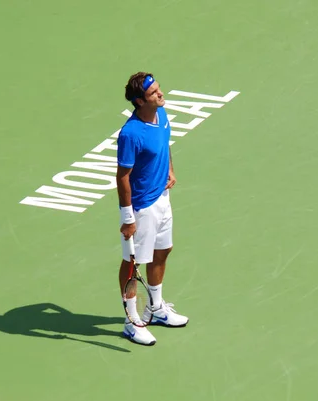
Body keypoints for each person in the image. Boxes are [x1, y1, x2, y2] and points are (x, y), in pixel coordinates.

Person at [116, 72, 189, 346]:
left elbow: (165, 143)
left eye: (158, 89)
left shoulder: (162, 114)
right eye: (153, 93)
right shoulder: (131, 134)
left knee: (163, 251)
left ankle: (156, 309)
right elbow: (122, 176)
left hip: (162, 198)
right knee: (133, 264)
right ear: (139, 101)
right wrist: (128, 218)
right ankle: (132, 321)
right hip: (142, 209)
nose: (160, 94)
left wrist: (169, 169)